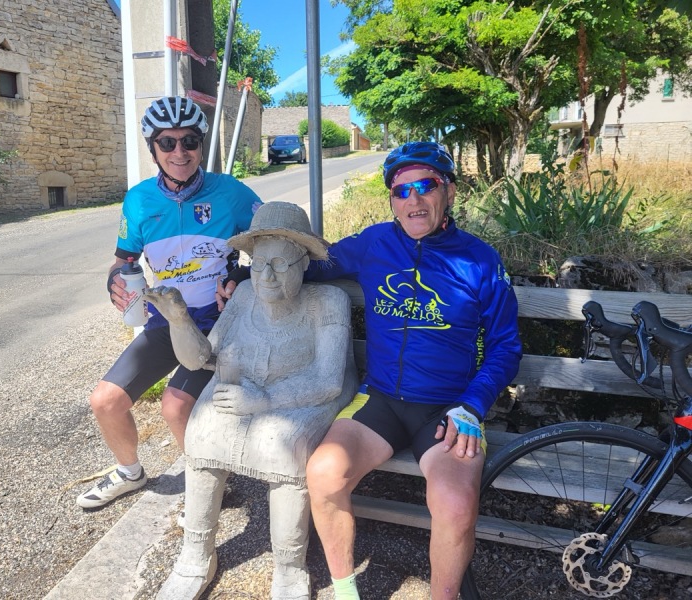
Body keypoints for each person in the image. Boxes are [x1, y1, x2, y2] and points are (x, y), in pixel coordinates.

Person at [303, 142, 523, 600]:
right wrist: (242, 278)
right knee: (323, 474)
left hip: (448, 408)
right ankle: (345, 593)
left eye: (426, 186)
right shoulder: (374, 244)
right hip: (380, 399)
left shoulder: (480, 260)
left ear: (450, 192)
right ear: (391, 200)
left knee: (456, 503)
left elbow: (505, 345)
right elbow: (311, 268)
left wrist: (472, 405)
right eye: (401, 191)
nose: (413, 199)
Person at [145, 202, 358, 600]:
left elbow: (328, 380)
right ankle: (195, 554)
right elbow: (202, 358)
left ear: (304, 264)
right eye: (258, 264)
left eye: (279, 263)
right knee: (202, 432)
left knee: (282, 446)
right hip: (246, 389)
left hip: (306, 393)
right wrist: (179, 320)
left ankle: (289, 566)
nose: (266, 276)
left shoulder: (327, 302)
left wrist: (264, 400)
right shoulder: (243, 295)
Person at [76, 96, 262, 509]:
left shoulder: (230, 193)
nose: (180, 152)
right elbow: (124, 261)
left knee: (175, 407)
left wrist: (241, 274)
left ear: (201, 144)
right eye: (167, 143)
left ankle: (209, 485)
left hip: (217, 323)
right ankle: (130, 473)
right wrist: (114, 282)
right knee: (105, 402)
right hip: (168, 320)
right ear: (153, 149)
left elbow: (274, 244)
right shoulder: (139, 200)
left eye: (189, 141)